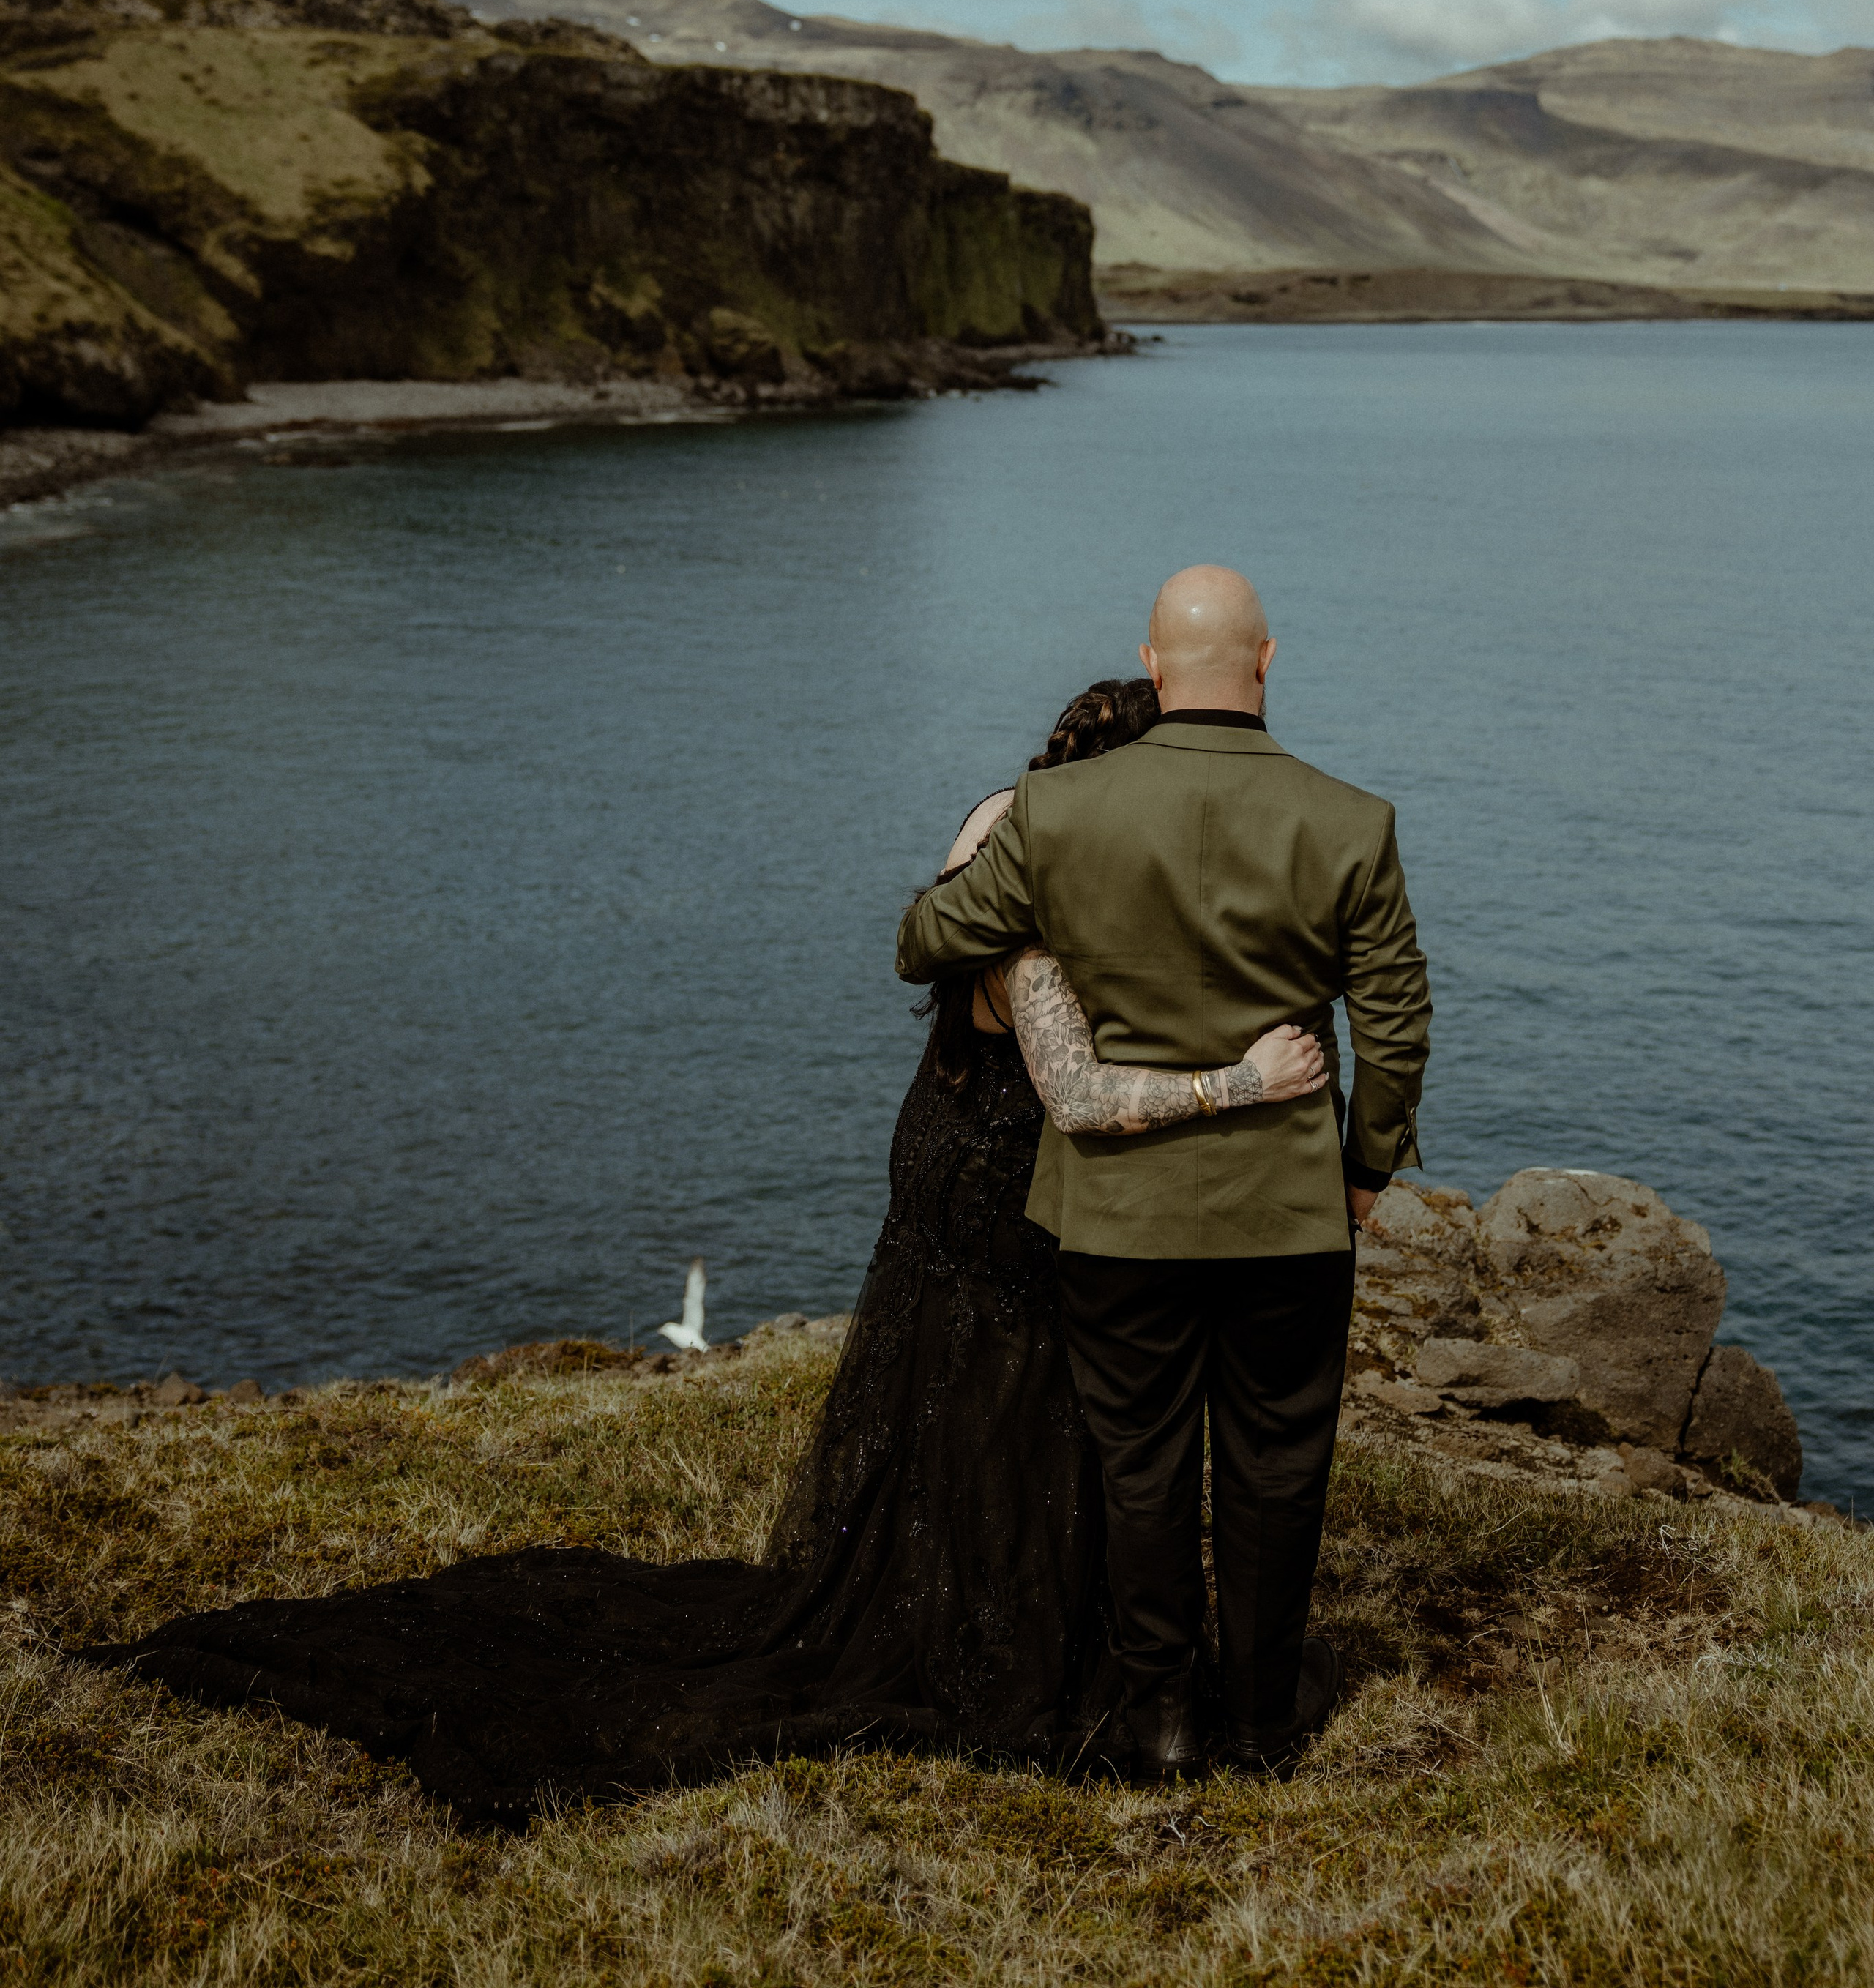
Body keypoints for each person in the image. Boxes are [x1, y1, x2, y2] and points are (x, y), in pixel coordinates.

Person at [88, 672, 1321, 1823]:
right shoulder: (1052, 906)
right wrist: (1246, 1080)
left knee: (953, 1397)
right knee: (1024, 1394)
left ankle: (948, 1584)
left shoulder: (994, 824)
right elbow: (1082, 1099)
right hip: (1006, 1173)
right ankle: (995, 1626)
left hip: (937, 1150)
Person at [897, 566, 1433, 1783]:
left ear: (1152, 662)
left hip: (1117, 1218)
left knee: (1140, 1468)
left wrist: (1023, 916)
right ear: (1268, 659)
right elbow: (1396, 1026)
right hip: (1289, 1214)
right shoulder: (1353, 823)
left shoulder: (1054, 812)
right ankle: (1257, 1721)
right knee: (1276, 1467)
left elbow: (923, 939)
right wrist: (1362, 1174)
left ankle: (1158, 1719)